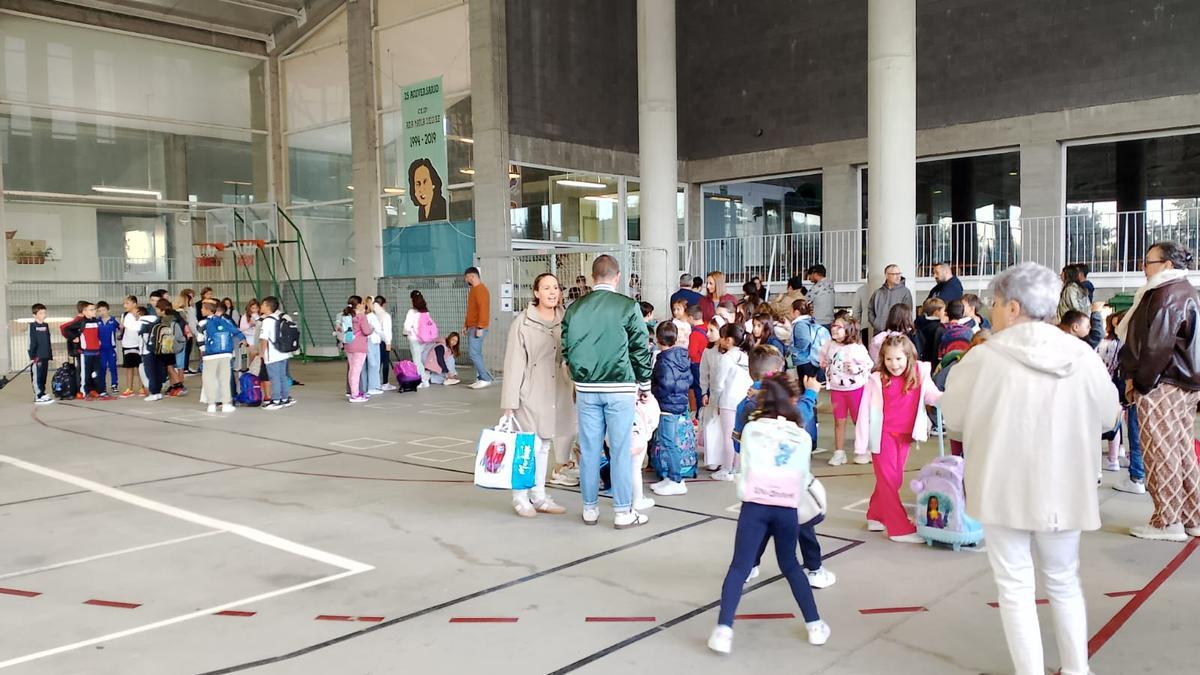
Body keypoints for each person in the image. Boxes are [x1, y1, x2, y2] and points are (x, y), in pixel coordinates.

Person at [942, 262, 1119, 675]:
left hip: (1003, 484)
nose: (991, 310)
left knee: (1015, 586)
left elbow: (955, 421)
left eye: (996, 303)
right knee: (1064, 579)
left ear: (1014, 307)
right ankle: (1077, 669)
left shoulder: (982, 359)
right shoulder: (1081, 354)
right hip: (1065, 485)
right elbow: (1110, 416)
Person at [707, 371, 830, 655]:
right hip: (787, 508)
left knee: (739, 567)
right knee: (790, 566)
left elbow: (744, 452)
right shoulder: (800, 436)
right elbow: (802, 475)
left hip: (754, 506)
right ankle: (815, 625)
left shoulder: (752, 429)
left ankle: (724, 630)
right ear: (792, 400)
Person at [561, 254, 654, 529]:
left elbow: (566, 348)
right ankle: (623, 512)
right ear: (617, 276)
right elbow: (640, 347)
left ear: (592, 278)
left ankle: (590, 509)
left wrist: (578, 377)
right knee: (621, 449)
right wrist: (645, 383)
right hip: (621, 386)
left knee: (589, 450)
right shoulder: (628, 306)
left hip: (587, 388)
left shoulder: (575, 308)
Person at [1117, 241, 1200, 542]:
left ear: (1166, 265)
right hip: (1183, 382)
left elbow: (1156, 344)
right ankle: (1191, 516)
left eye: (1148, 261)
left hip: (1162, 382)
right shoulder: (1183, 289)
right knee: (1180, 450)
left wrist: (1141, 383)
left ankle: (1167, 521)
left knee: (1161, 452)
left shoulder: (1166, 292)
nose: (1143, 267)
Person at [732, 348, 833, 588]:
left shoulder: (744, 406)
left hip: (758, 485)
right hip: (787, 485)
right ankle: (815, 570)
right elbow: (802, 416)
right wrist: (810, 392)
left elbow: (737, 445)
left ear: (750, 371)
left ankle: (749, 567)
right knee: (803, 526)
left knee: (759, 528)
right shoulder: (784, 405)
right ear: (777, 374)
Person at [500, 272, 575, 518]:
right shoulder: (522, 322)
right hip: (530, 390)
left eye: (555, 287)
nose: (552, 292)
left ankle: (539, 495)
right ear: (536, 293)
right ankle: (520, 497)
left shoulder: (566, 319)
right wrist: (510, 401)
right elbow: (514, 363)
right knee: (527, 445)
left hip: (556, 389)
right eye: (546, 288)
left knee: (545, 443)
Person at [855, 334, 942, 543]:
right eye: (888, 359)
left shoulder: (920, 374)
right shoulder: (876, 380)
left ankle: (876, 515)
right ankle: (898, 528)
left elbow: (932, 395)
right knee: (889, 480)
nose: (894, 364)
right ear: (882, 360)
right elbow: (863, 414)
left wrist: (950, 400)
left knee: (894, 480)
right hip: (882, 436)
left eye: (899, 359)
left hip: (905, 436)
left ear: (909, 357)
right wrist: (861, 444)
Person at [820, 316, 872, 467]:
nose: (834, 329)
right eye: (833, 325)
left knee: (859, 421)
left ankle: (864, 449)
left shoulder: (857, 348)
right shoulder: (829, 345)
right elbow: (822, 356)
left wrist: (856, 369)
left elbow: (869, 364)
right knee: (839, 421)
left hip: (855, 389)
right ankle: (839, 452)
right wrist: (823, 362)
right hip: (837, 389)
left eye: (839, 327)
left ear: (849, 330)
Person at [650, 321, 694, 497]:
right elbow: (689, 380)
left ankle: (676, 479)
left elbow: (666, 384)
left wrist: (654, 390)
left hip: (667, 405)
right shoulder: (682, 357)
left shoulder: (664, 360)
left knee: (669, 442)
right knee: (670, 441)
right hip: (679, 403)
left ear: (659, 339)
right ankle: (670, 477)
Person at [714, 323, 755, 482]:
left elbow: (719, 384)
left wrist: (715, 401)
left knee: (727, 436)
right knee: (738, 435)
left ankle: (726, 469)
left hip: (728, 401)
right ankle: (737, 467)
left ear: (729, 340)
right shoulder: (746, 356)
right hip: (743, 400)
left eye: (722, 337)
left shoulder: (726, 358)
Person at [199, 300, 245, 414]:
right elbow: (236, 331)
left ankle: (211, 404)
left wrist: (203, 352)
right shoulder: (224, 321)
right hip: (225, 354)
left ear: (208, 310)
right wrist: (243, 339)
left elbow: (200, 340)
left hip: (210, 355)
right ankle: (226, 404)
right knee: (224, 379)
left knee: (210, 379)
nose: (201, 310)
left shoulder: (202, 323)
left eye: (203, 308)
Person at [259, 296, 295, 410]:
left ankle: (275, 400)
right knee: (282, 376)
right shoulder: (280, 318)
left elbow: (264, 339)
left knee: (274, 377)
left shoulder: (267, 321)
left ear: (268, 307)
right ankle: (285, 398)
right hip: (283, 353)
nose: (261, 306)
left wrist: (261, 354)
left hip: (273, 355)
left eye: (263, 305)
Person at [699, 319, 725, 471]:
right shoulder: (708, 351)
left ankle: (725, 459)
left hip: (727, 395)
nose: (707, 334)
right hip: (713, 394)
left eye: (712, 330)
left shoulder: (730, 352)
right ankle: (713, 459)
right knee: (710, 426)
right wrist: (704, 391)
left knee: (725, 428)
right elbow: (704, 373)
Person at [463, 267, 493, 389]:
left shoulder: (481, 290)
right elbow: (471, 310)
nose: (466, 280)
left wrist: (480, 327)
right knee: (476, 353)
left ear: (472, 276)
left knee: (474, 353)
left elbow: (483, 310)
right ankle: (482, 377)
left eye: (466, 277)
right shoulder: (474, 290)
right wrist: (466, 325)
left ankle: (485, 378)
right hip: (473, 326)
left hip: (477, 327)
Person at [342, 296, 374, 403]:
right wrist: (372, 328)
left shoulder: (347, 315)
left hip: (349, 345)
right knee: (356, 371)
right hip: (359, 346)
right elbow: (366, 331)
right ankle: (355, 395)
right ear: (359, 305)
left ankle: (353, 392)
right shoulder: (361, 317)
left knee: (352, 369)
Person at [867, 264, 914, 335]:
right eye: (894, 274)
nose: (898, 276)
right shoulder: (878, 292)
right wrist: (876, 323)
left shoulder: (905, 292)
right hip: (879, 333)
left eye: (899, 273)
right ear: (886, 275)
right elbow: (870, 310)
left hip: (897, 334)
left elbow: (907, 313)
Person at [118, 296, 145, 397]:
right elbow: (123, 327)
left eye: (127, 303)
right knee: (129, 367)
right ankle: (129, 388)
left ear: (134, 304)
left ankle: (142, 387)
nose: (125, 305)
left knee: (140, 367)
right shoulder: (125, 315)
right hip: (127, 343)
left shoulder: (141, 313)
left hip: (139, 344)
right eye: (124, 303)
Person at [408, 157, 448, 222]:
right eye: (418, 184)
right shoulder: (421, 210)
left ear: (433, 183)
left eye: (425, 182)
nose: (421, 189)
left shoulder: (442, 206)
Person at [28, 303, 53, 404]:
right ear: (34, 315)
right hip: (37, 357)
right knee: (37, 376)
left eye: (44, 312)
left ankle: (42, 393)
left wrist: (49, 354)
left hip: (45, 355)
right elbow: (31, 342)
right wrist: (32, 356)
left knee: (43, 375)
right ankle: (38, 395)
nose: (44, 315)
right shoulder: (32, 326)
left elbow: (47, 340)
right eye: (41, 313)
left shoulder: (45, 325)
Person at [686, 305, 707, 412]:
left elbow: (692, 352)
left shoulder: (694, 334)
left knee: (698, 389)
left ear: (690, 318)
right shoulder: (707, 327)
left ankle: (699, 412)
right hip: (707, 363)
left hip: (697, 364)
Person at [96, 301, 119, 394]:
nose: (102, 312)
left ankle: (114, 385)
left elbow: (120, 330)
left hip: (111, 348)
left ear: (108, 310)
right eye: (99, 310)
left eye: (104, 310)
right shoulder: (96, 321)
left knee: (113, 366)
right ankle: (102, 386)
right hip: (101, 349)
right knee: (102, 367)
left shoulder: (113, 321)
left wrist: (120, 333)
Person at [915, 298, 947, 365]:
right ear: (936, 312)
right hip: (931, 361)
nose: (945, 313)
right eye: (944, 310)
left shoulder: (918, 322)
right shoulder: (938, 328)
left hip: (920, 359)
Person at [374, 296, 396, 391]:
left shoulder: (372, 314)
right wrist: (388, 342)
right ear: (384, 304)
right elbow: (387, 331)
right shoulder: (385, 315)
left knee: (376, 363)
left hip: (373, 342)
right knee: (385, 362)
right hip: (383, 342)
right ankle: (385, 383)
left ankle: (375, 382)